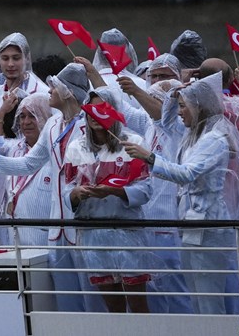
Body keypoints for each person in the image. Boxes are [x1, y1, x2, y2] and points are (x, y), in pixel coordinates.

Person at [0, 62, 93, 312]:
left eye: (55, 87)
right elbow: (29, 163)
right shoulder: (52, 126)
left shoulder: (88, 126)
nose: (49, 90)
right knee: (64, 299)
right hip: (56, 229)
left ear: (68, 92)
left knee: (92, 297)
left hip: (83, 227)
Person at [124, 74, 239, 315]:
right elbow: (166, 118)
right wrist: (175, 91)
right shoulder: (192, 137)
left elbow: (187, 173)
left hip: (209, 227)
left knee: (209, 300)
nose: (179, 112)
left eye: (183, 106)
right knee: (197, 298)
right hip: (190, 227)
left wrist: (149, 157)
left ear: (198, 107)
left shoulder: (215, 139)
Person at [64, 87, 153, 313]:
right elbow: (67, 189)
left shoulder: (133, 143)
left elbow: (145, 190)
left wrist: (115, 192)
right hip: (94, 234)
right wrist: (76, 194)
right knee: (113, 307)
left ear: (115, 111)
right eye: (92, 108)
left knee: (139, 306)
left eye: (103, 108)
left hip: (128, 232)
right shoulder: (76, 148)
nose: (96, 114)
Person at [0, 93, 55, 246]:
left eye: (33, 116)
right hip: (14, 236)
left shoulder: (56, 153)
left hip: (43, 238)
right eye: (22, 116)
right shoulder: (14, 148)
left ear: (46, 118)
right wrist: (1, 113)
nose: (26, 122)